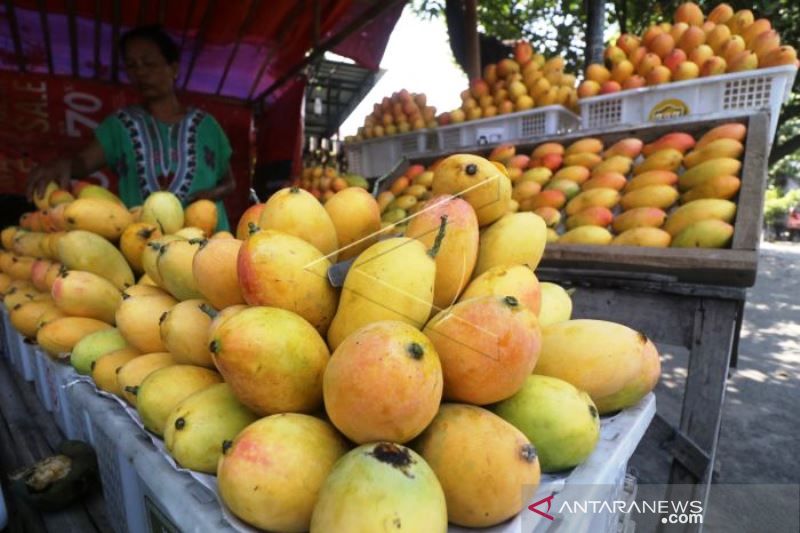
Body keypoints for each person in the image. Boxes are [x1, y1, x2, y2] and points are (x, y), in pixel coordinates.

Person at [26, 25, 236, 231]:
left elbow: (229, 182)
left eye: (149, 63)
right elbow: (82, 163)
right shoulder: (119, 125)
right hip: (141, 246)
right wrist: (63, 165)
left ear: (173, 68)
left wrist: (210, 195)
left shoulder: (207, 125)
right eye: (132, 66)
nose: (141, 72)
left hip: (210, 245)